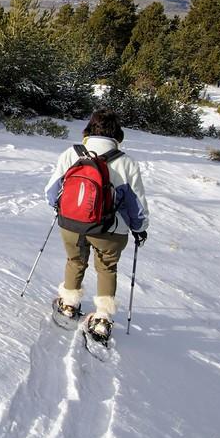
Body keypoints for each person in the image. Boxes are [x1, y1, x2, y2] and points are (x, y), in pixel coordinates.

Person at [43, 109, 149, 342]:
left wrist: (60, 208)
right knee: (106, 268)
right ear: (117, 133)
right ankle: (102, 319)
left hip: (71, 224)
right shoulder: (126, 163)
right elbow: (137, 205)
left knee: (75, 260)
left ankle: (69, 305)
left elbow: (51, 192)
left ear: (89, 130)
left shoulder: (71, 154)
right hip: (110, 230)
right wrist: (140, 228)